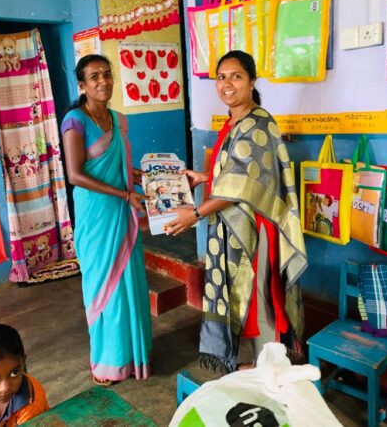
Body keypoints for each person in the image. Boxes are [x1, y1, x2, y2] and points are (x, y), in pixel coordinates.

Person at [165, 50, 308, 372]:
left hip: (254, 227)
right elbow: (234, 172)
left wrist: (196, 214)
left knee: (260, 297)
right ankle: (262, 364)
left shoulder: (258, 123)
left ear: (252, 81)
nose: (227, 84)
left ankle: (272, 369)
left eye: (236, 76)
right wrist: (205, 177)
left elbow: (243, 184)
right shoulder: (233, 123)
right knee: (246, 294)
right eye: (221, 77)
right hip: (232, 222)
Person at [61, 54, 152, 385]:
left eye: (107, 74)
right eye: (94, 76)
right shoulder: (75, 120)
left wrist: (149, 179)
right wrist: (126, 195)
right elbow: (75, 174)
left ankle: (132, 356)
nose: (103, 81)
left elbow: (123, 169)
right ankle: (108, 362)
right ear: (82, 85)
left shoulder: (119, 119)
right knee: (103, 286)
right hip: (97, 214)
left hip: (123, 211)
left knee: (129, 283)